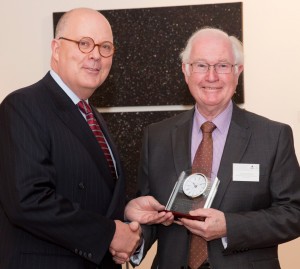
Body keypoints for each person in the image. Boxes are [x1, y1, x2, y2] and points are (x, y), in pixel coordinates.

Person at [125, 28, 300, 269]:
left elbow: (293, 213)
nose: (211, 76)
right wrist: (134, 239)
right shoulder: (157, 136)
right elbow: (151, 212)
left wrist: (230, 226)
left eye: (222, 66)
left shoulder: (273, 136)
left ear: (237, 72)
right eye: (201, 65)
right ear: (186, 71)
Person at [0, 8, 141, 269]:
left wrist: (129, 211)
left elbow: (94, 198)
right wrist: (108, 234)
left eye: (105, 47)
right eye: (84, 43)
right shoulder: (22, 106)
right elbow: (28, 200)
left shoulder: (92, 116)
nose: (96, 56)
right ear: (56, 49)